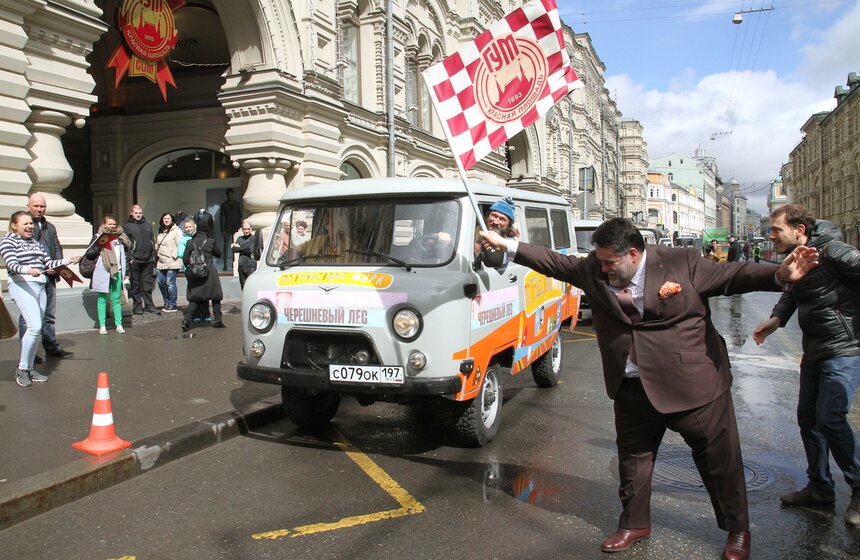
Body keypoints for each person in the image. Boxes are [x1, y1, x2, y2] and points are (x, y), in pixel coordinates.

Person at [479, 218, 819, 560]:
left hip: (694, 386)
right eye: (600, 261)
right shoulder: (595, 269)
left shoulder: (680, 263)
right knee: (633, 461)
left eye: (611, 262)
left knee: (720, 461)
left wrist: (777, 276)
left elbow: (734, 275)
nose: (604, 268)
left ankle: (737, 530)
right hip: (631, 386)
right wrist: (505, 244)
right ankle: (635, 523)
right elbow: (552, 261)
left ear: (633, 254)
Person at [752, 204, 860, 527]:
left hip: (844, 349)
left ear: (799, 230)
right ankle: (820, 487)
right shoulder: (799, 257)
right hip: (814, 351)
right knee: (808, 419)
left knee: (830, 418)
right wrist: (775, 319)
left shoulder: (832, 251)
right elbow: (791, 290)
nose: (770, 237)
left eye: (776, 230)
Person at [0, 211, 80, 386]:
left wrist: (67, 260)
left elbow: (48, 263)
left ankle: (28, 368)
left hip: (40, 285)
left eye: (30, 224)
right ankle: (22, 369)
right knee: (34, 326)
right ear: (14, 225)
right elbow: (12, 264)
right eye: (25, 224)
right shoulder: (7, 241)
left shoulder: (35, 242)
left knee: (37, 327)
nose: (30, 227)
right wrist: (28, 270)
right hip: (22, 285)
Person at [21, 193, 73, 361]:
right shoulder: (25, 226)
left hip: (50, 278)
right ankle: (30, 352)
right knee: (28, 318)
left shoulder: (49, 226)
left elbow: (57, 247)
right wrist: (44, 266)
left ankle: (51, 347)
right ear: (28, 206)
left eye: (42, 206)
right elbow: (25, 252)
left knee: (48, 315)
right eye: (36, 206)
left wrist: (57, 266)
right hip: (31, 279)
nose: (39, 209)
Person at [85, 214, 130, 335]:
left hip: (117, 271)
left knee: (116, 299)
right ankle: (102, 325)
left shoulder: (120, 237)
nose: (111, 226)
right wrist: (99, 244)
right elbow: (89, 253)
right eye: (109, 224)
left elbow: (125, 256)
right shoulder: (98, 236)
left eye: (114, 224)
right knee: (102, 298)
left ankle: (119, 324)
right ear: (104, 224)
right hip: (103, 271)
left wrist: (127, 273)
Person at [181, 220, 224, 331]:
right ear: (207, 229)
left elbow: (185, 258)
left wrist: (192, 269)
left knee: (195, 298)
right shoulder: (210, 242)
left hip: (195, 274)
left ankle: (187, 321)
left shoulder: (190, 242)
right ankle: (218, 320)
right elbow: (219, 254)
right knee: (215, 296)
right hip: (209, 272)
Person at [125, 204, 156, 314]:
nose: (138, 215)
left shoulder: (147, 225)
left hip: (148, 260)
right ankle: (137, 307)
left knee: (147, 284)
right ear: (131, 213)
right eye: (136, 213)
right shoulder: (127, 226)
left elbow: (152, 240)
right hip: (135, 260)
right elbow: (126, 244)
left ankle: (149, 305)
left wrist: (152, 255)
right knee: (136, 285)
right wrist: (130, 258)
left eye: (140, 213)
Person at [155, 212, 183, 312]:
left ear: (172, 220)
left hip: (172, 261)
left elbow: (180, 244)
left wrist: (173, 255)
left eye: (168, 218)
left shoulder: (177, 231)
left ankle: (172, 304)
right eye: (164, 218)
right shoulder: (161, 231)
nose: (166, 220)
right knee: (160, 282)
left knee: (170, 282)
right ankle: (166, 302)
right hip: (161, 261)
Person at [232, 220, 260, 289]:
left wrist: (240, 247)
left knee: (250, 287)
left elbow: (250, 250)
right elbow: (233, 250)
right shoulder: (239, 238)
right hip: (241, 266)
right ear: (242, 229)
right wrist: (242, 248)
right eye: (244, 229)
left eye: (248, 229)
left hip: (251, 266)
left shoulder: (253, 238)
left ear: (251, 229)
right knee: (243, 287)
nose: (246, 231)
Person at [219, 188, 242, 270]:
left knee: (236, 245)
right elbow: (221, 218)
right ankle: (225, 264)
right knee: (226, 246)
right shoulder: (224, 205)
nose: (230, 196)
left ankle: (235, 263)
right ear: (227, 195)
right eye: (229, 195)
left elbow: (240, 216)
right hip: (227, 228)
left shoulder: (237, 204)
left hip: (236, 227)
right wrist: (222, 229)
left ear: (233, 194)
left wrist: (240, 227)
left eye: (231, 194)